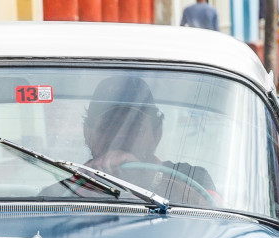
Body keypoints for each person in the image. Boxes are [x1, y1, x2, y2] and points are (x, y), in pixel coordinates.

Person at [49, 75, 215, 203]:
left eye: (135, 126)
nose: (121, 134)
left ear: (157, 134)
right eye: (110, 125)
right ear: (88, 134)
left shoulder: (194, 179)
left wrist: (149, 177)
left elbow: (216, 219)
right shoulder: (58, 192)